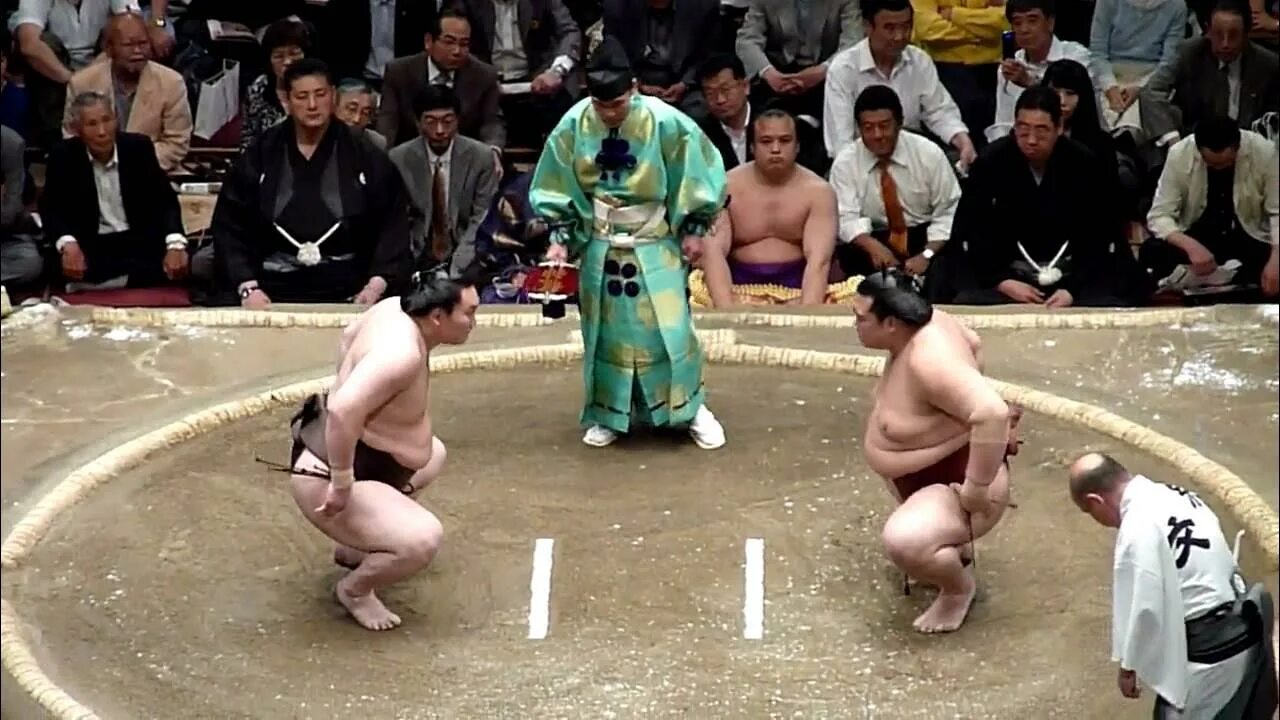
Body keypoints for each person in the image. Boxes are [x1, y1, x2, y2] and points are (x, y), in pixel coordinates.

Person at [528, 36, 728, 450]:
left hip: (656, 241)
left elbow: (696, 170)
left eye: (617, 104)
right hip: (600, 243)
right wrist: (560, 238)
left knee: (671, 329)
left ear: (634, 87)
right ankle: (608, 413)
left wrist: (694, 228)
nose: (609, 113)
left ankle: (690, 408)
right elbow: (555, 183)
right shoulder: (574, 124)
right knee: (606, 335)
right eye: (601, 105)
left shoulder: (665, 121)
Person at [286, 270, 480, 631]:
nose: (474, 322)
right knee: (422, 539)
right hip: (326, 475)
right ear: (438, 316)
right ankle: (355, 591)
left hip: (365, 459)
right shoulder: (401, 354)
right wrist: (342, 482)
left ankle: (358, 546)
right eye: (469, 313)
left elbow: (349, 335)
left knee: (433, 454)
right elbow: (343, 410)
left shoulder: (394, 308)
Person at [855, 268, 1020, 633]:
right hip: (927, 475)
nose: (855, 325)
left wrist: (976, 488)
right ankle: (947, 544)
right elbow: (973, 343)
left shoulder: (929, 360)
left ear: (892, 323)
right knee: (915, 537)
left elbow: (992, 412)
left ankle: (958, 590)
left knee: (905, 541)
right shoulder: (931, 321)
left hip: (958, 483)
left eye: (861, 318)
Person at [1067, 452, 1278, 718]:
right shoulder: (1175, 494)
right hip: (1244, 617)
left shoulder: (1136, 527)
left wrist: (1128, 666)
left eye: (1089, 512)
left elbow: (1144, 609)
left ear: (1095, 501)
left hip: (1214, 648)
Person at [201, 59, 413, 308]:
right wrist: (248, 286)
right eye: (302, 96)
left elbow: (392, 224)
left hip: (350, 286)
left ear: (333, 96)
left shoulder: (365, 153)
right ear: (287, 101)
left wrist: (376, 285)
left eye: (320, 94)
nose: (312, 105)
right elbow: (230, 223)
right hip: (269, 285)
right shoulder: (262, 152)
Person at [698, 108, 839, 306]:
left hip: (798, 290)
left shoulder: (819, 192)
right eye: (766, 141)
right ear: (752, 147)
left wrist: (808, 315)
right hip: (736, 288)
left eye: (785, 141)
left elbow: (819, 261)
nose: (775, 149)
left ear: (797, 146)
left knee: (852, 300)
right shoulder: (725, 187)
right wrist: (727, 311)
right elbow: (713, 252)